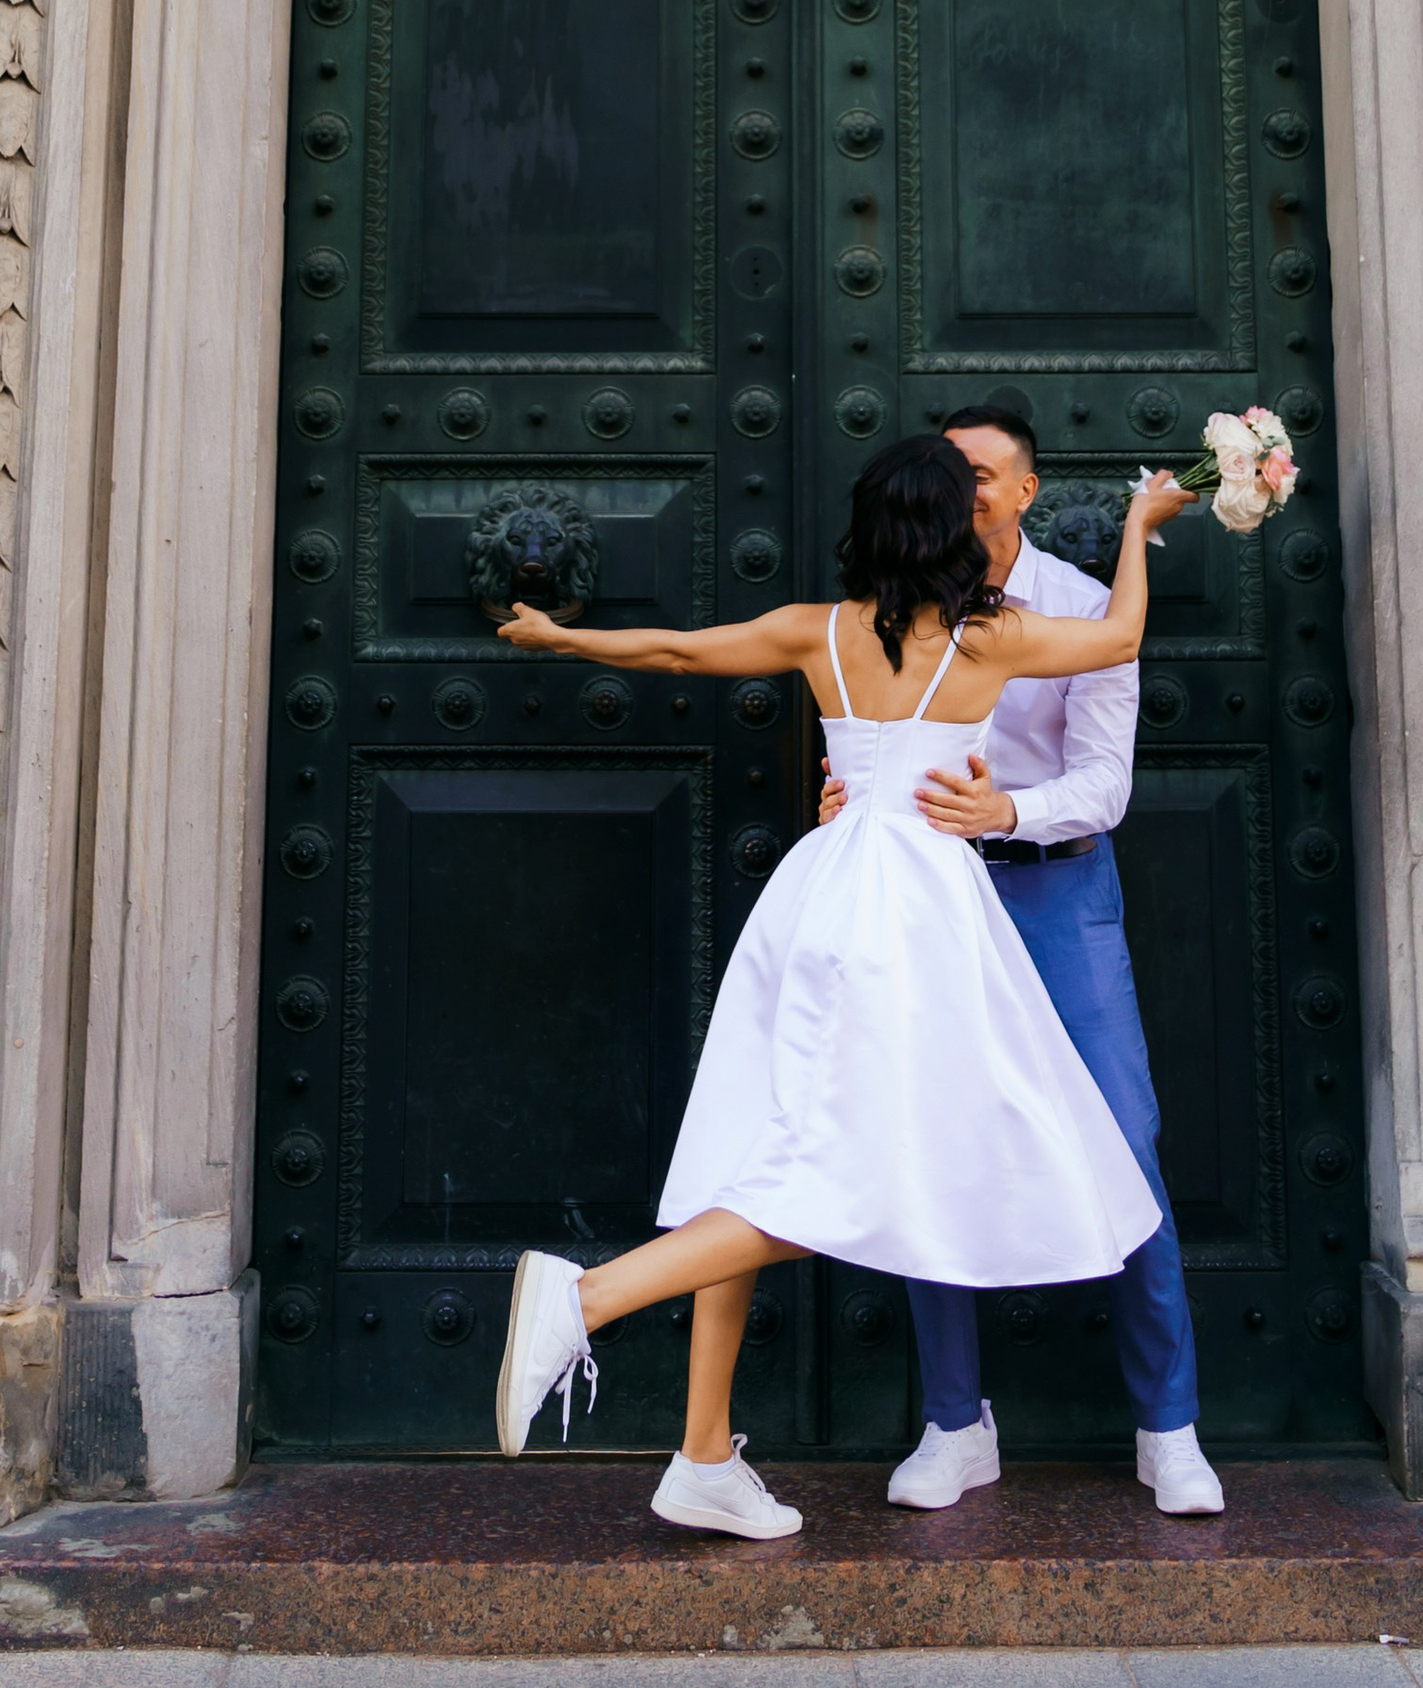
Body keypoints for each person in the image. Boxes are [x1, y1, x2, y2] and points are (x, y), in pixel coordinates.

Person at [488, 438, 1193, 1540]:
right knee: (848, 1173)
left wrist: (558, 633)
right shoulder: (986, 638)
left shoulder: (816, 628)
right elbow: (1121, 634)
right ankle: (585, 1300)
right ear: (952, 533)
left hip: (817, 895)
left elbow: (674, 651)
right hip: (915, 910)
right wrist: (1137, 537)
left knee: (758, 1145)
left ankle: (704, 1455)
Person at [833, 398, 1223, 1519]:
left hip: (1053, 893)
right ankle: (956, 1427)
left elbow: (1105, 786)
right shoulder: (889, 608)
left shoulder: (1083, 607)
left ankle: (1169, 1428)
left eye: (980, 473)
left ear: (1023, 494)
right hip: (929, 900)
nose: (959, 488)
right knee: (933, 1148)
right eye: (945, 469)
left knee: (1125, 1143)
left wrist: (1002, 811)